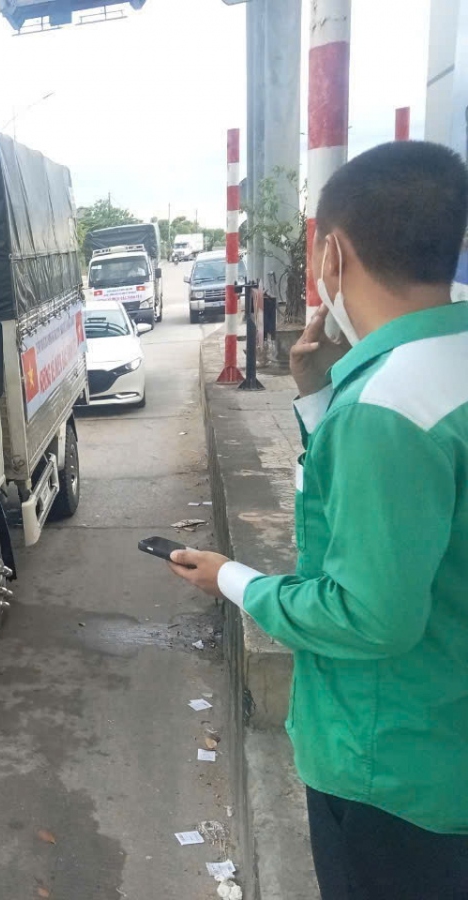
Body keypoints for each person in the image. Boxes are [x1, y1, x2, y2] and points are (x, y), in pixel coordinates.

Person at [168, 141, 468, 899]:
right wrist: (318, 395)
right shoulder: (442, 366)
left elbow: (368, 615)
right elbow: (388, 518)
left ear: (330, 253)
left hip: (391, 772)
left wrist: (232, 579)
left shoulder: (387, 407)